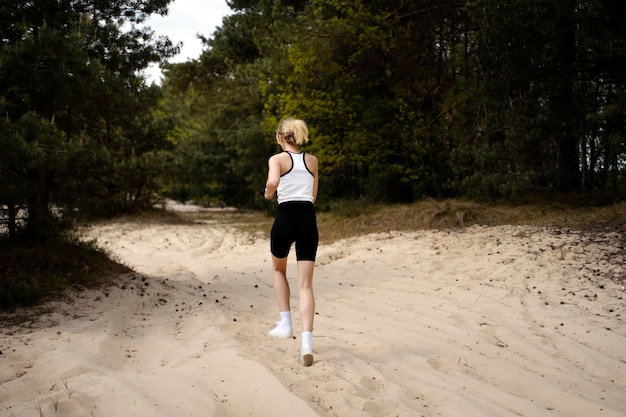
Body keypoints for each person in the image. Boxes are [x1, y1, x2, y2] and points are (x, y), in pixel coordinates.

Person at [263, 117, 319, 367]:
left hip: (285, 216)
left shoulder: (276, 159)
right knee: (305, 285)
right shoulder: (312, 160)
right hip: (307, 217)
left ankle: (285, 324)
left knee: (278, 269)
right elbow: (313, 195)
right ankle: (307, 342)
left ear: (280, 138)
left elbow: (273, 182)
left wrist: (268, 193)